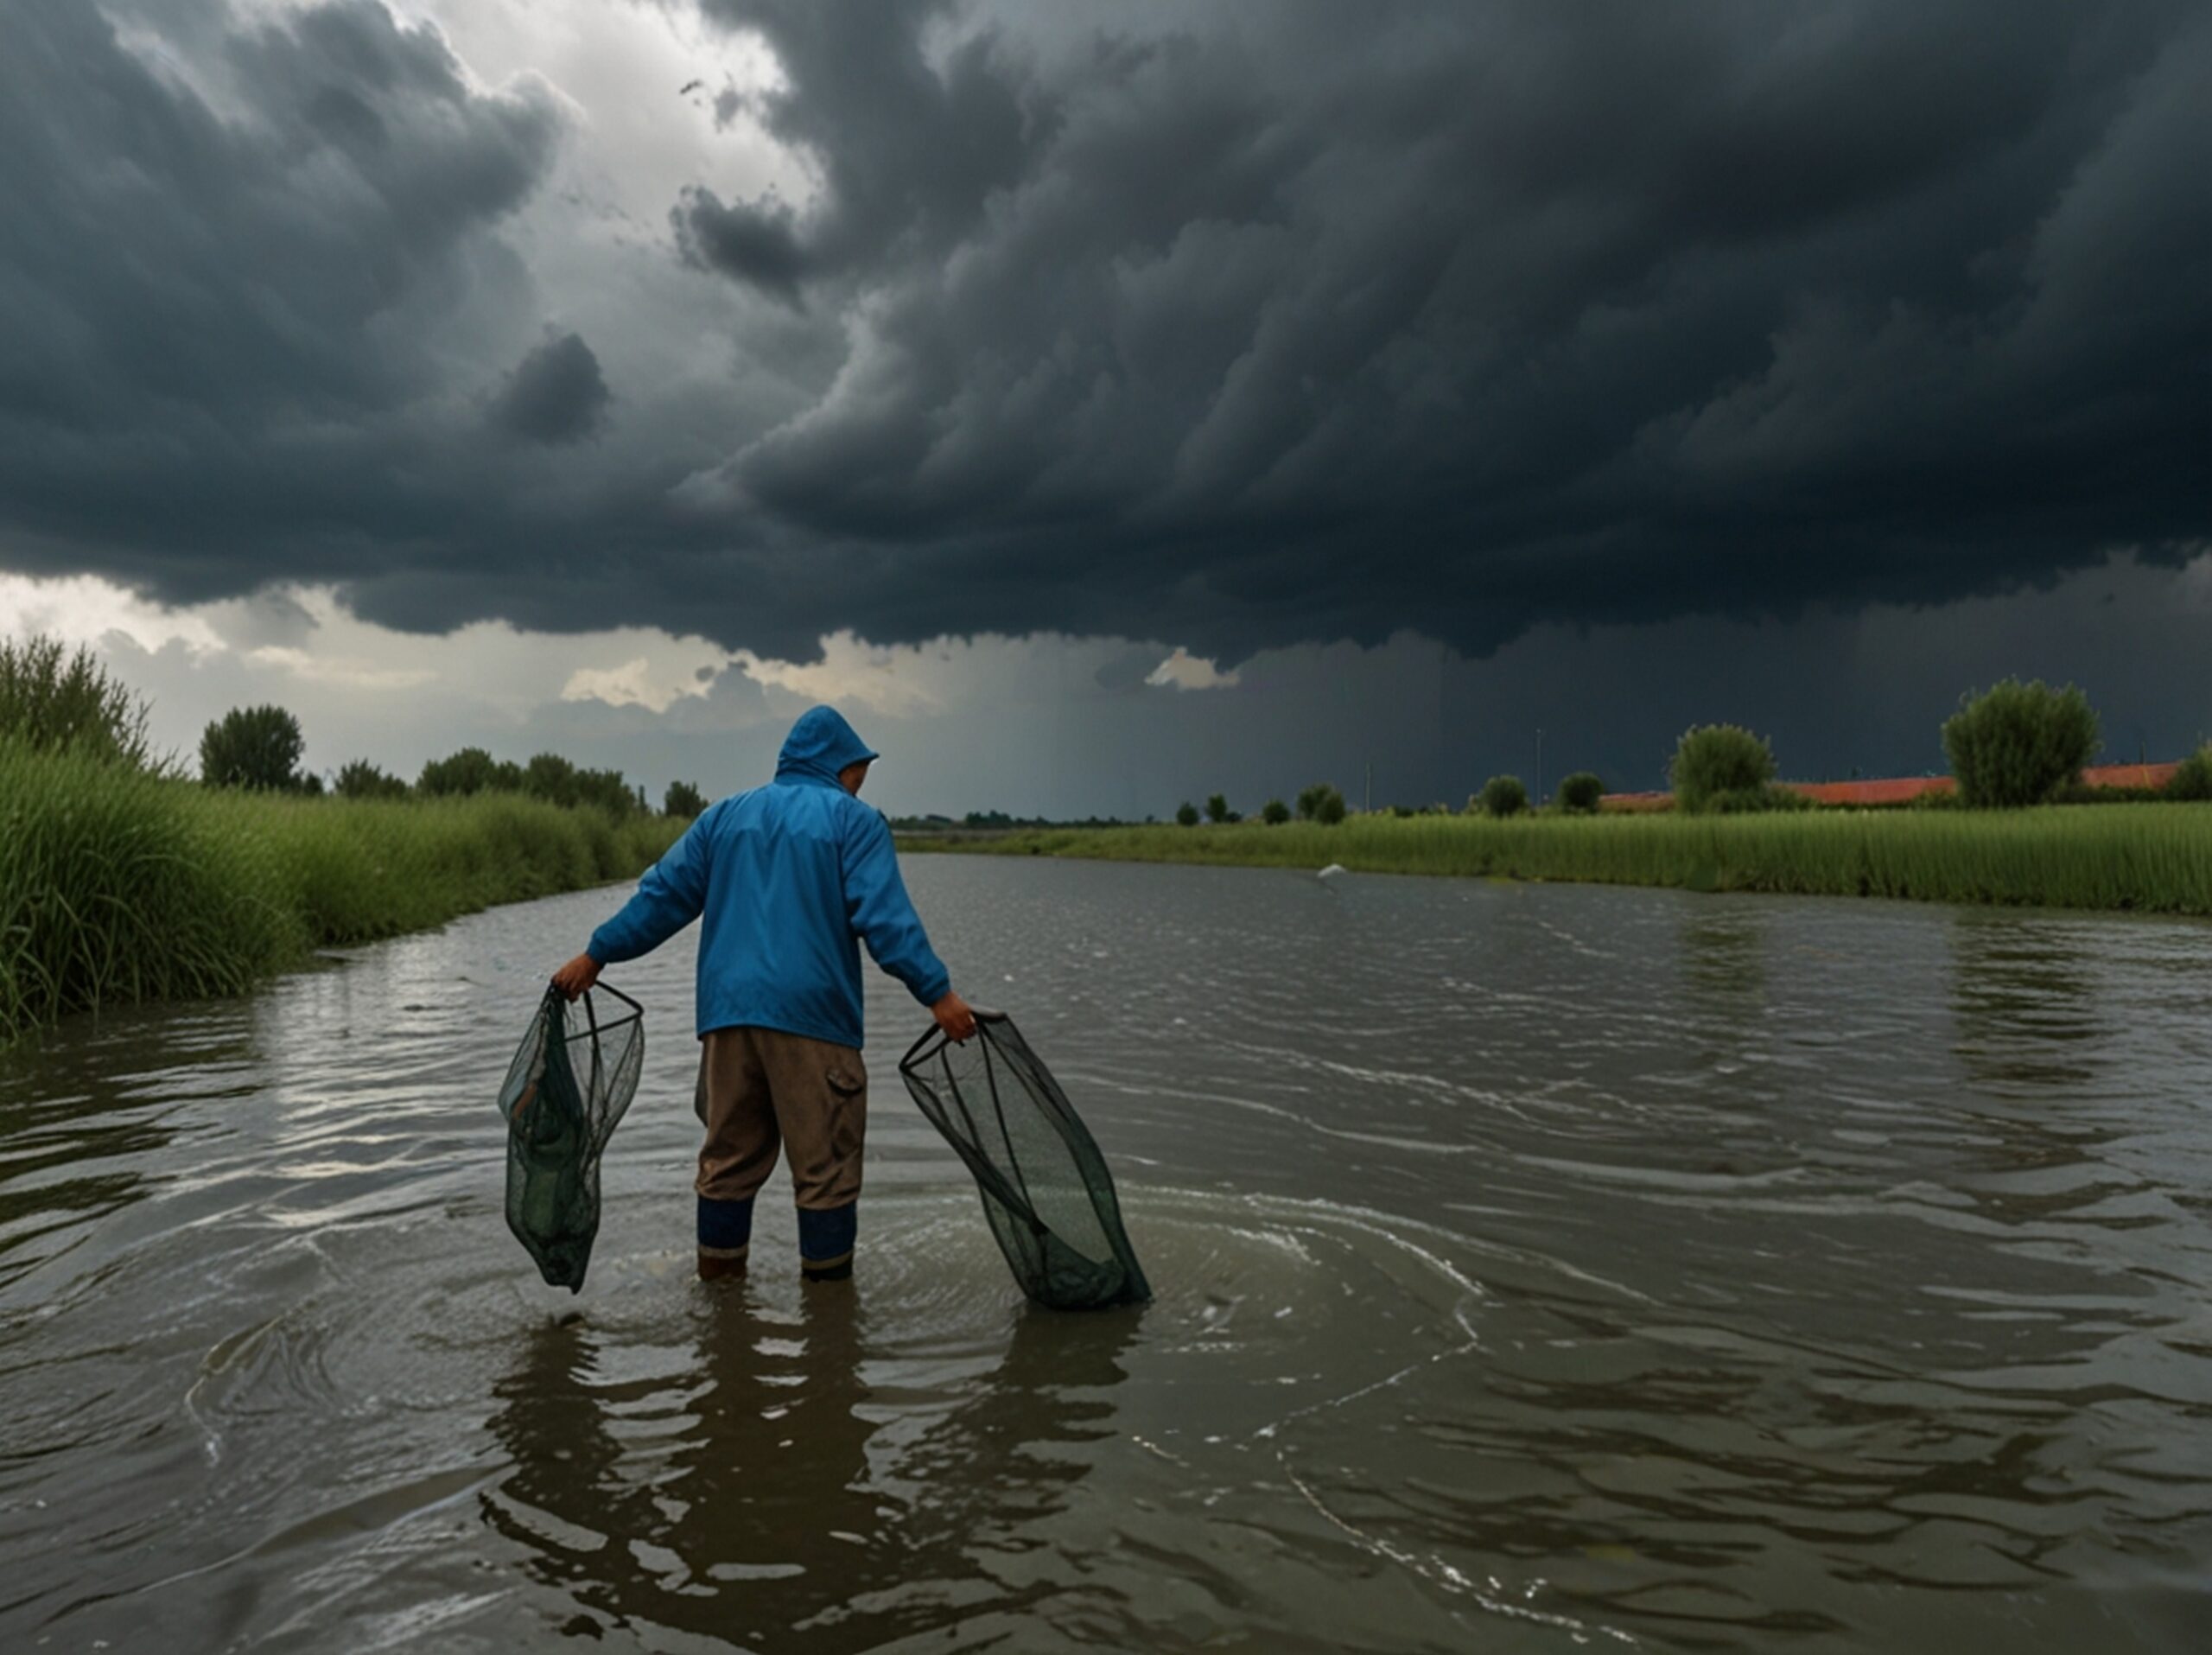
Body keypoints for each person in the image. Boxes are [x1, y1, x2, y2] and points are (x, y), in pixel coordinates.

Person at [550, 705, 976, 1283]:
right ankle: (830, 1337)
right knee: (825, 1170)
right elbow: (886, 920)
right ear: (842, 765)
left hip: (727, 1023)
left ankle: (721, 1321)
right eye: (860, 769)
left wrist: (597, 953)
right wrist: (938, 994)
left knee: (726, 1165)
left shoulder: (725, 818)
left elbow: (662, 896)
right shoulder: (854, 821)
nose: (861, 781)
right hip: (814, 1022)